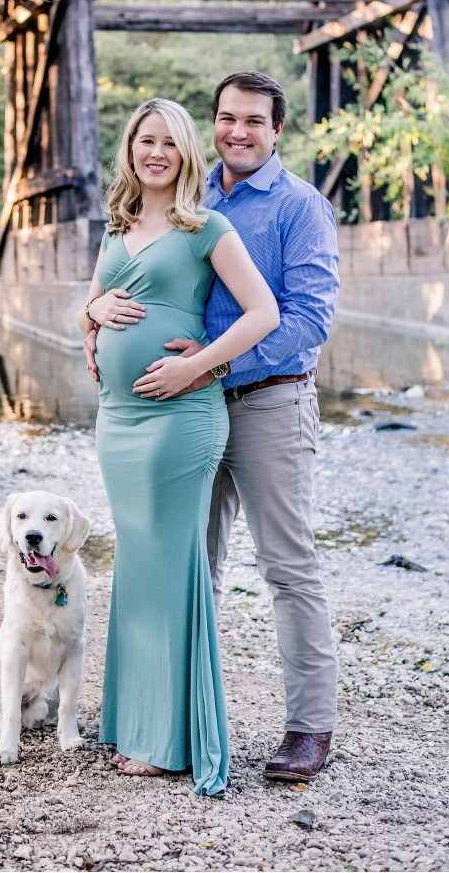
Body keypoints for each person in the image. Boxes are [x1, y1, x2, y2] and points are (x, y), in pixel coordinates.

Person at [84, 71, 340, 785]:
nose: (238, 131)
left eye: (254, 121)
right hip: (173, 409)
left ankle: (310, 728)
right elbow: (130, 278)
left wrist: (212, 368)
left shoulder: (299, 207)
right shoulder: (192, 196)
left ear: (276, 129)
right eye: (227, 118)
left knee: (288, 565)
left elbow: (305, 320)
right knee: (189, 566)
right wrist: (92, 315)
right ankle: (178, 719)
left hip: (265, 401)